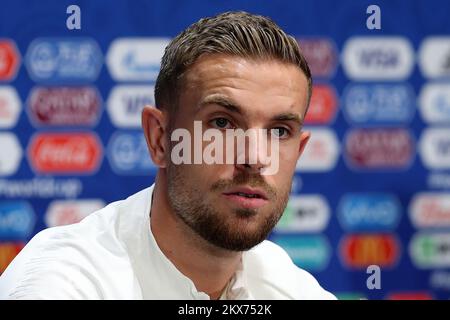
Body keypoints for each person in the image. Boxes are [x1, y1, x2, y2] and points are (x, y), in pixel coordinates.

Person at [0, 11, 335, 300]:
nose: (256, 157)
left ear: (300, 151)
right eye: (222, 122)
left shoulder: (293, 288)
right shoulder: (62, 283)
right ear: (159, 138)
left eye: (279, 131)